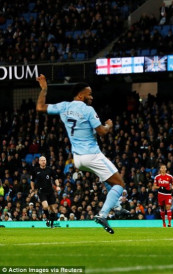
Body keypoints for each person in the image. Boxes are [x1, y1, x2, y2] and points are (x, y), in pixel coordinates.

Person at [36, 74, 125, 234]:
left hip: (77, 159)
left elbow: (40, 107)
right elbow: (102, 131)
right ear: (80, 95)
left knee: (107, 178)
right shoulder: (88, 110)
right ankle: (103, 214)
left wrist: (44, 90)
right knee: (119, 184)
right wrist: (108, 125)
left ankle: (116, 205)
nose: (91, 97)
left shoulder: (64, 106)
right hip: (92, 155)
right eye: (89, 94)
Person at [30, 156, 60, 228]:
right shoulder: (36, 170)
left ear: (46, 161)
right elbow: (32, 181)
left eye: (44, 160)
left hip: (50, 191)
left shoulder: (50, 169)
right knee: (46, 206)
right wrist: (33, 190)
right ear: (39, 162)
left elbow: (55, 178)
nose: (43, 162)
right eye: (42, 160)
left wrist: (58, 185)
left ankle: (51, 224)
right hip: (42, 191)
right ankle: (48, 218)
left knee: (53, 208)